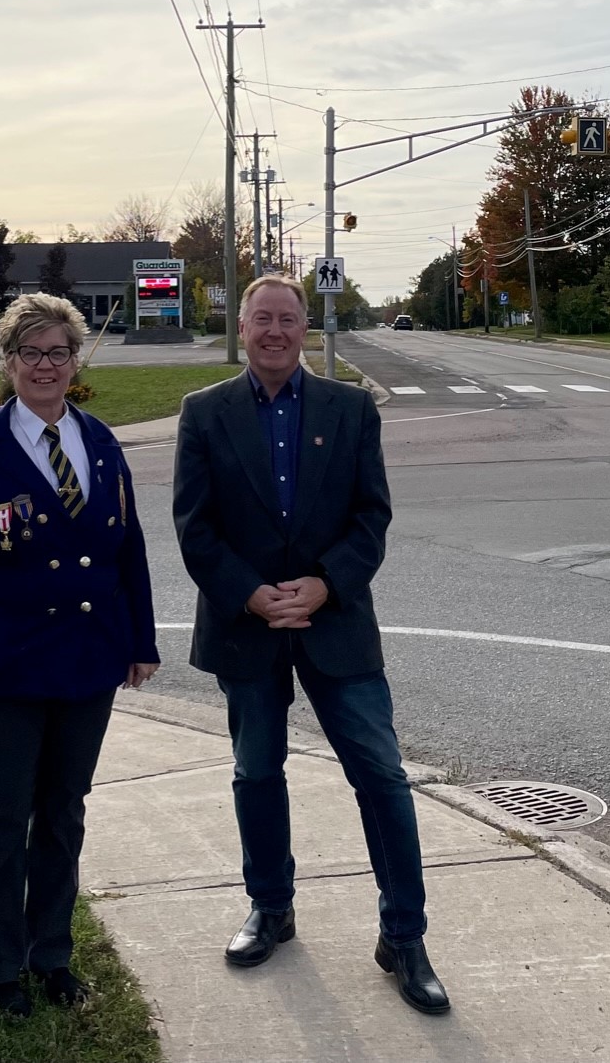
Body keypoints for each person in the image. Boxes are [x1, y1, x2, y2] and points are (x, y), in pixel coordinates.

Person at [172, 274, 450, 1016]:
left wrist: (325, 586)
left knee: (383, 777)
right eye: (260, 318)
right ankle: (271, 907)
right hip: (246, 625)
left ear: (304, 328)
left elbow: (372, 516)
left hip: (336, 622)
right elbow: (194, 528)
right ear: (243, 329)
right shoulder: (203, 414)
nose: (273, 331)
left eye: (286, 319)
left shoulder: (352, 409)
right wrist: (250, 594)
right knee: (256, 771)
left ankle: (405, 936)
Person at [0, 293, 160, 1020]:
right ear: (9, 362)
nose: (46, 366)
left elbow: (131, 549)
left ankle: (51, 954)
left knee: (64, 812)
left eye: (59, 352)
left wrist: (139, 640)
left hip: (88, 663)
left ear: (75, 360)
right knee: (1, 814)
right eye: (31, 353)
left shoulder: (102, 441)